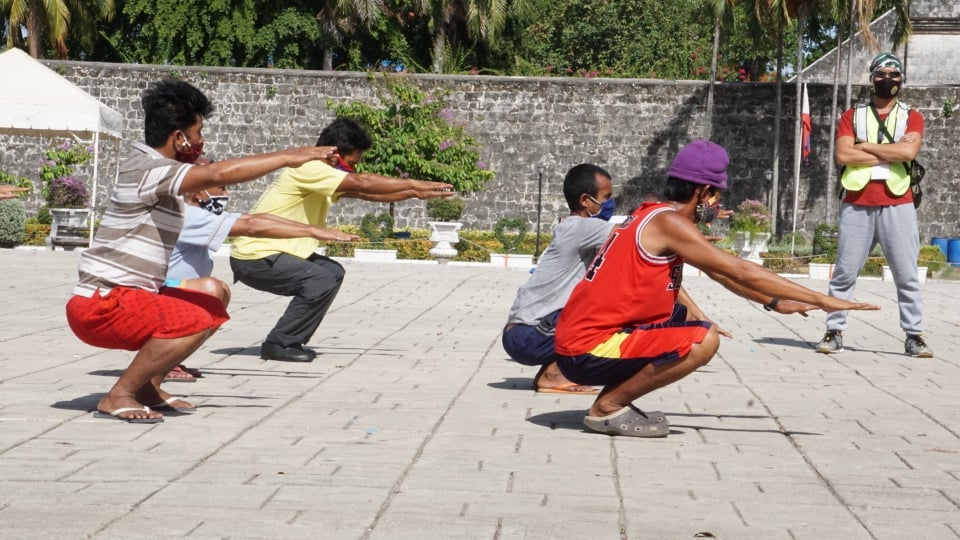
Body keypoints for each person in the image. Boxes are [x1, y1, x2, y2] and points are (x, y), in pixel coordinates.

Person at [554, 139, 880, 437]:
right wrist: (822, 299)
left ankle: (611, 399)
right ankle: (607, 408)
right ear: (704, 192)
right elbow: (738, 268)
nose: (716, 204)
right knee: (702, 340)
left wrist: (775, 301)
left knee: (684, 317)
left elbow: (721, 274)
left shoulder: (652, 213)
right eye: (716, 195)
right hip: (586, 349)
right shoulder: (670, 223)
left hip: (577, 343)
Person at [64, 79, 339, 423]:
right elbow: (220, 173)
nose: (201, 141)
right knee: (195, 320)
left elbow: (247, 223)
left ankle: (148, 387)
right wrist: (289, 156)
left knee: (209, 302)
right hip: (102, 305)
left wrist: (312, 230)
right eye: (198, 132)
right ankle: (119, 393)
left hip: (126, 299)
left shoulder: (161, 184)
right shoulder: (150, 169)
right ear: (179, 137)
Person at [229, 118, 454, 362]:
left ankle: (290, 339)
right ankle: (279, 343)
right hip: (256, 257)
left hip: (276, 252)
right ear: (335, 154)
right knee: (320, 278)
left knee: (332, 271)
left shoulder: (322, 174)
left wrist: (414, 193)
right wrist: (414, 183)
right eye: (352, 163)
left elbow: (362, 191)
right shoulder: (309, 168)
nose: (353, 170)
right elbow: (363, 182)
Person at [162, 182, 361, 381]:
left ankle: (170, 361)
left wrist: (311, 228)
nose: (226, 193)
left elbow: (255, 219)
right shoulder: (188, 216)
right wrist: (313, 231)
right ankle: (161, 363)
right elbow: (252, 226)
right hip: (159, 290)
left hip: (175, 290)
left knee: (219, 292)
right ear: (198, 194)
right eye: (222, 188)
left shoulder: (201, 215)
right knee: (213, 289)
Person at [816, 52, 931, 358]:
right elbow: (844, 155)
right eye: (882, 73)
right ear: (872, 78)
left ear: (902, 80)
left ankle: (914, 334)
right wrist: (890, 150)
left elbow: (909, 152)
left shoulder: (912, 115)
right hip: (858, 201)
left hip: (898, 202)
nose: (888, 79)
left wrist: (864, 145)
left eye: (894, 74)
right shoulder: (852, 115)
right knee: (845, 271)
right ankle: (834, 330)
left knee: (907, 274)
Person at [502, 163, 616, 394]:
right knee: (612, 313)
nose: (610, 204)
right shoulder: (584, 227)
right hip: (529, 335)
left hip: (523, 333)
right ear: (585, 200)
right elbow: (639, 235)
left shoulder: (574, 227)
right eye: (606, 197)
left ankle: (552, 370)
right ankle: (554, 375)